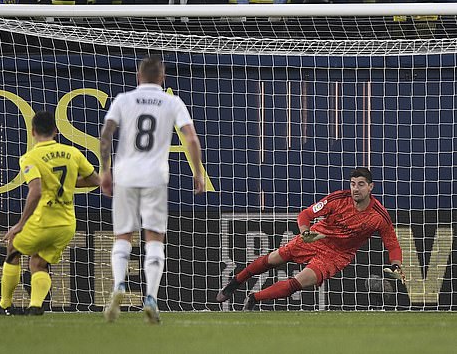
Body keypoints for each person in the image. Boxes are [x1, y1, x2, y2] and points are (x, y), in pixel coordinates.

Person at [99, 56, 205, 324]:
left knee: (123, 234)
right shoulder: (172, 101)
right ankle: (151, 298)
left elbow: (106, 134)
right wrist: (198, 172)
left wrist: (104, 170)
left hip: (125, 174)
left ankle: (119, 286)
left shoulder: (123, 99)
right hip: (155, 176)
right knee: (154, 237)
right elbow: (190, 136)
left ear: (138, 76)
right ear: (162, 77)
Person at [216, 167, 405, 309]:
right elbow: (305, 215)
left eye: (361, 184)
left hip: (337, 255)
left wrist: (396, 264)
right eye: (353, 184)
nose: (356, 189)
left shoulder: (379, 216)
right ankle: (235, 283)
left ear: (371, 187)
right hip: (316, 238)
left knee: (298, 282)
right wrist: (306, 232)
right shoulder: (337, 199)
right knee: (272, 260)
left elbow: (392, 243)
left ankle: (254, 298)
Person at [0, 111, 101, 315]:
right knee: (38, 262)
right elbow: (96, 181)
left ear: (32, 132)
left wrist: (20, 224)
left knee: (13, 248)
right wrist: (63, 184)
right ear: (56, 131)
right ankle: (35, 306)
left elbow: (36, 190)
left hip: (44, 221)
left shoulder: (30, 157)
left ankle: (4, 304)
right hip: (66, 224)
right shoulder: (73, 153)